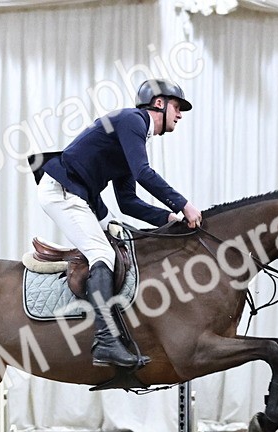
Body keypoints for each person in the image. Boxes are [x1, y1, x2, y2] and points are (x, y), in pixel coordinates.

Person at [31, 78, 203, 369]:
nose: (180, 114)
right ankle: (106, 341)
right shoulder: (132, 120)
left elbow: (128, 202)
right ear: (158, 104)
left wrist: (168, 219)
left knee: (120, 243)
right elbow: (144, 173)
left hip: (83, 197)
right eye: (177, 107)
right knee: (103, 255)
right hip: (63, 189)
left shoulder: (132, 135)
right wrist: (183, 205)